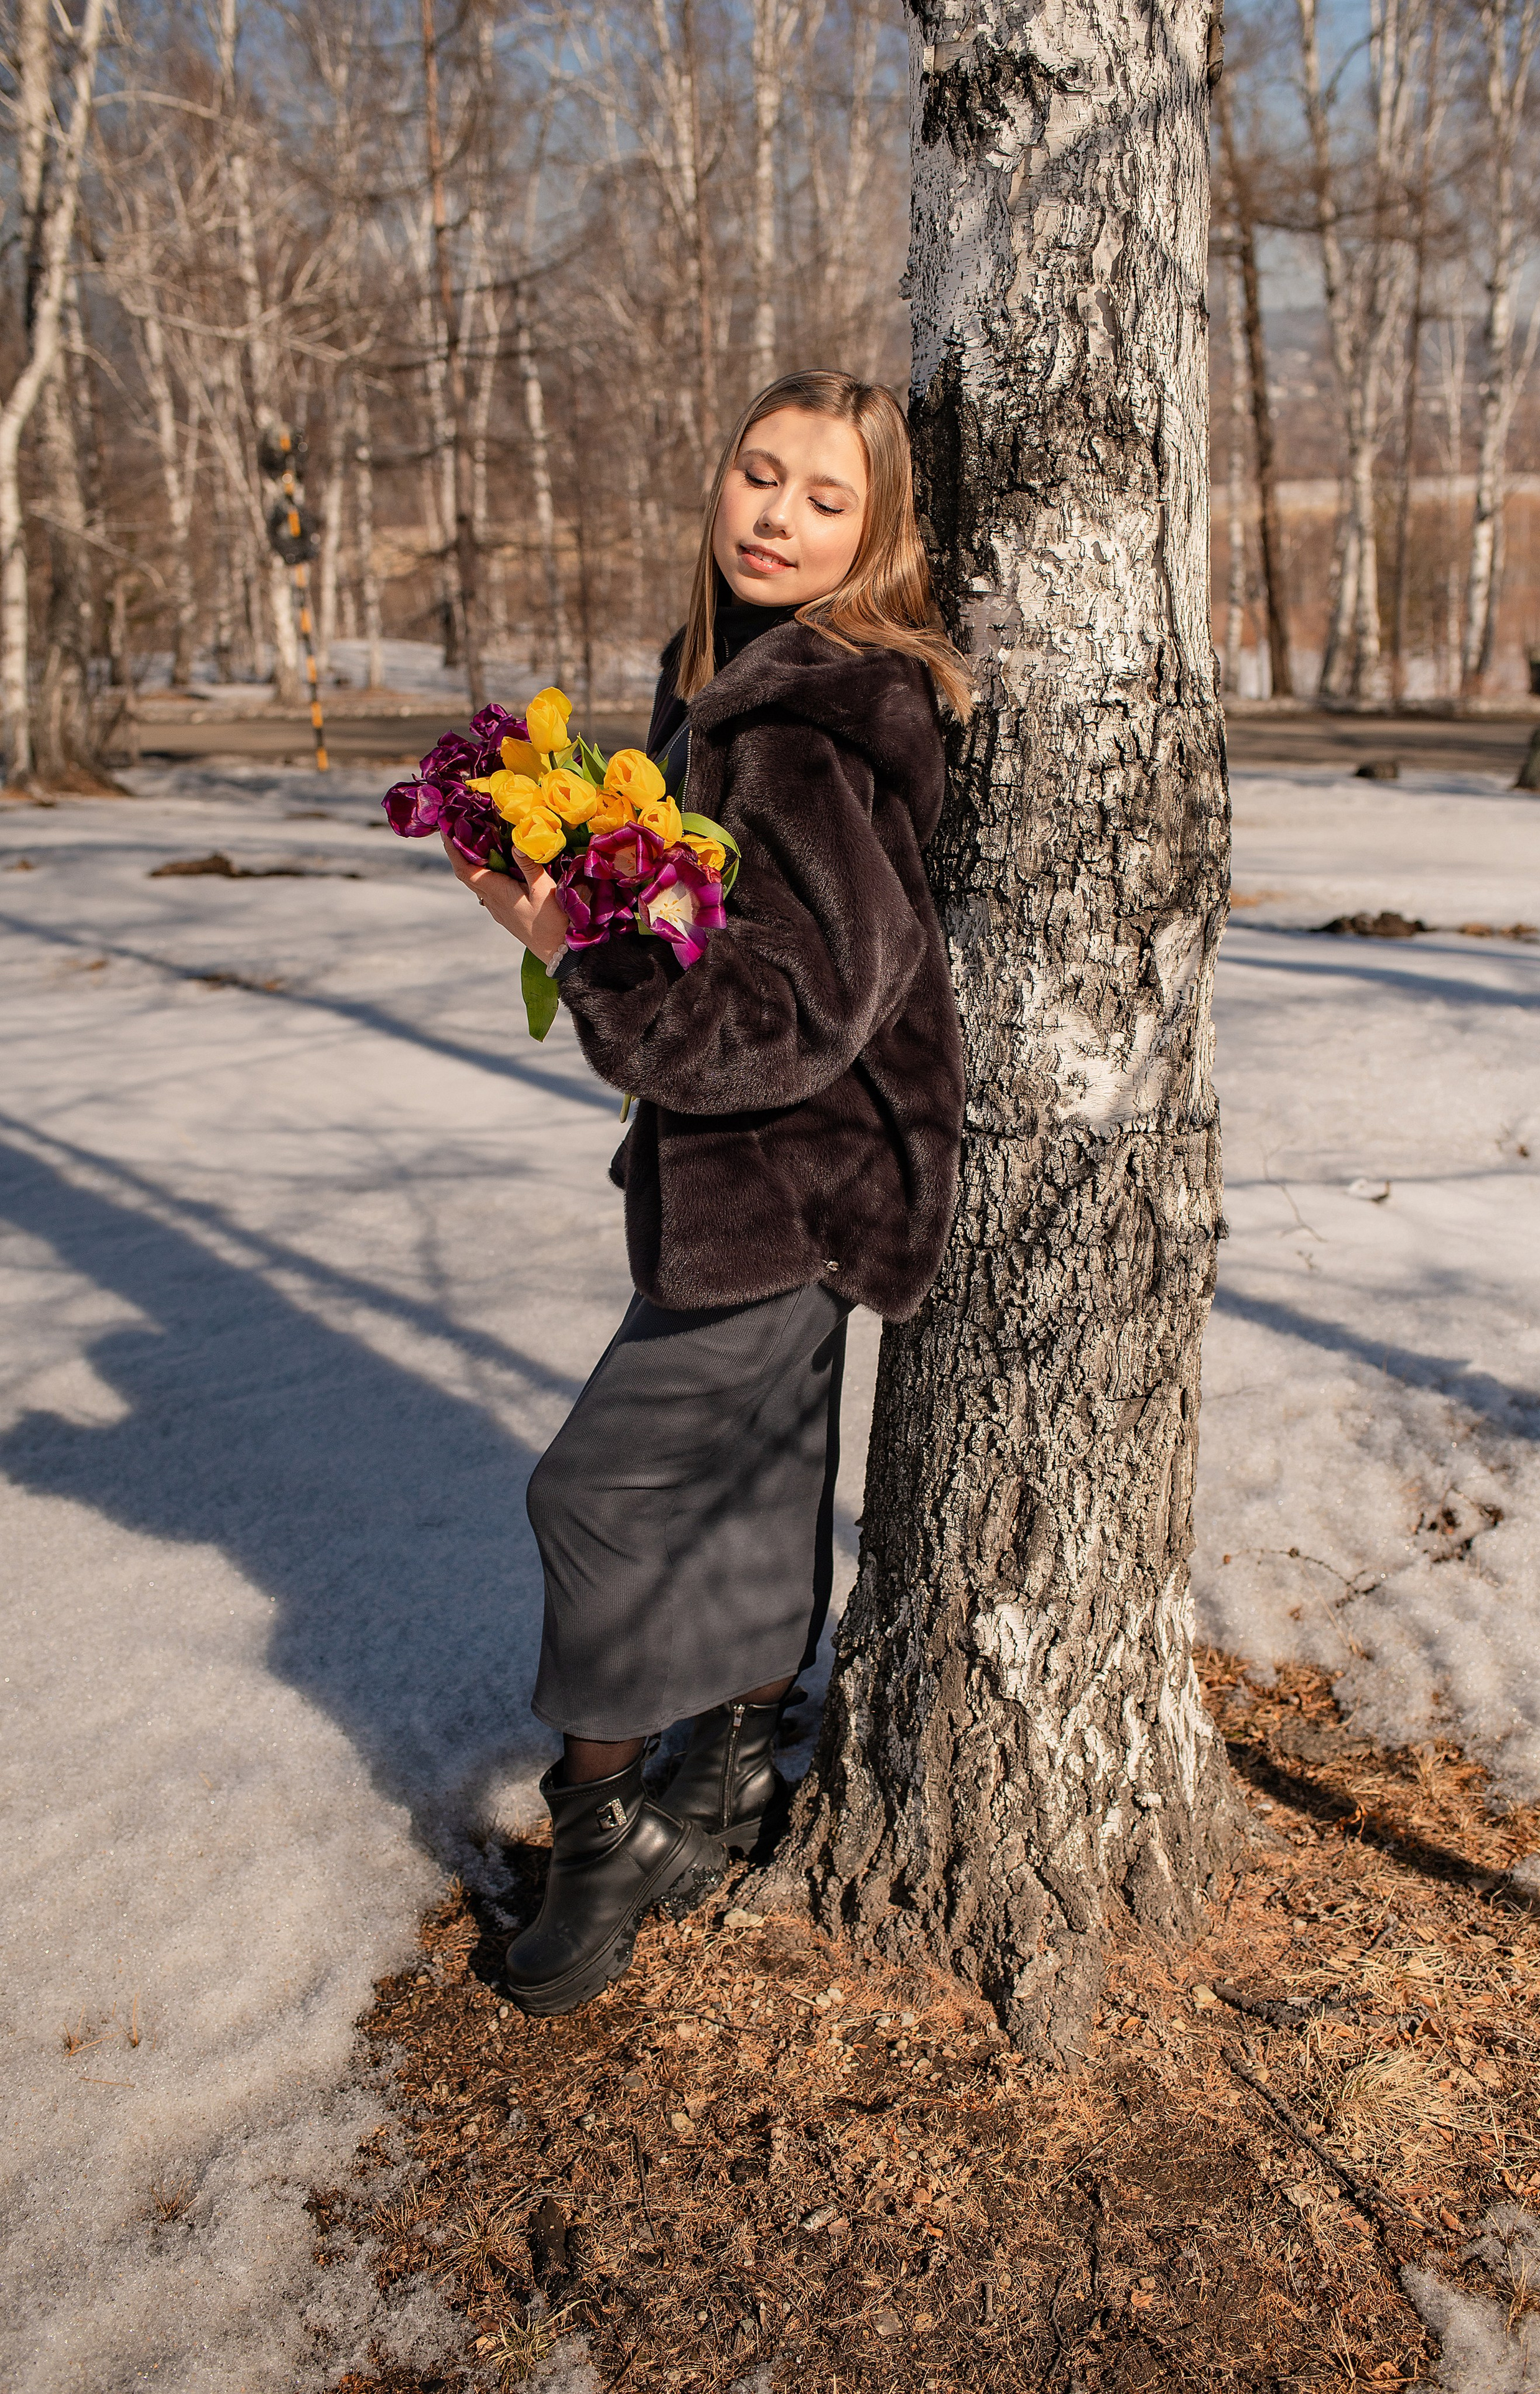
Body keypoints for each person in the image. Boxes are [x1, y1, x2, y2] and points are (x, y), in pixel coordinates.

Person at [445, 369, 970, 2015]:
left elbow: (800, 1014)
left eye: (830, 501)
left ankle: (600, 1835)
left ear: (878, 535)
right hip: (792, 1179)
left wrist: (565, 946)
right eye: (761, 474)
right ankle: (733, 1770)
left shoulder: (806, 724)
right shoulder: (726, 686)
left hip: (796, 1181)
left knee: (595, 1496)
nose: (779, 515)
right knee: (746, 1483)